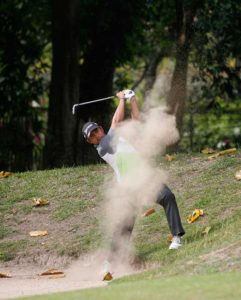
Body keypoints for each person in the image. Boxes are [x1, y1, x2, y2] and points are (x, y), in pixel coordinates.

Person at [82, 90, 185, 278]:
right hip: (129, 186)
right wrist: (121, 99)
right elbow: (116, 122)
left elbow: (136, 121)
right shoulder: (103, 147)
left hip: (145, 177)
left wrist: (133, 99)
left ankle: (177, 238)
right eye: (91, 135)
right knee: (125, 225)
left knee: (168, 197)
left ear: (100, 129)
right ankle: (110, 262)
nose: (95, 134)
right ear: (91, 141)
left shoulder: (121, 136)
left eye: (96, 130)